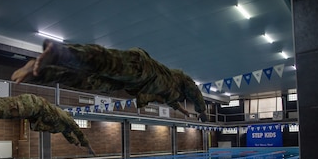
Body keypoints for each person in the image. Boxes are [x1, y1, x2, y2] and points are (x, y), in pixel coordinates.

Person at [11, 39, 208, 121]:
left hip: (132, 85)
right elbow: (196, 94)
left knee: (88, 82)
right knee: (106, 62)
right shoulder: (181, 78)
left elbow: (173, 102)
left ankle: (40, 73)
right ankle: (61, 54)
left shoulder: (172, 95)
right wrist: (202, 112)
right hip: (145, 69)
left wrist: (184, 112)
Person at [0, 92, 95, 155]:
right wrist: (87, 146)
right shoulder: (67, 119)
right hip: (33, 106)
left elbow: (70, 134)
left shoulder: (63, 127)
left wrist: (76, 143)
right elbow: (77, 130)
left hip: (31, 104)